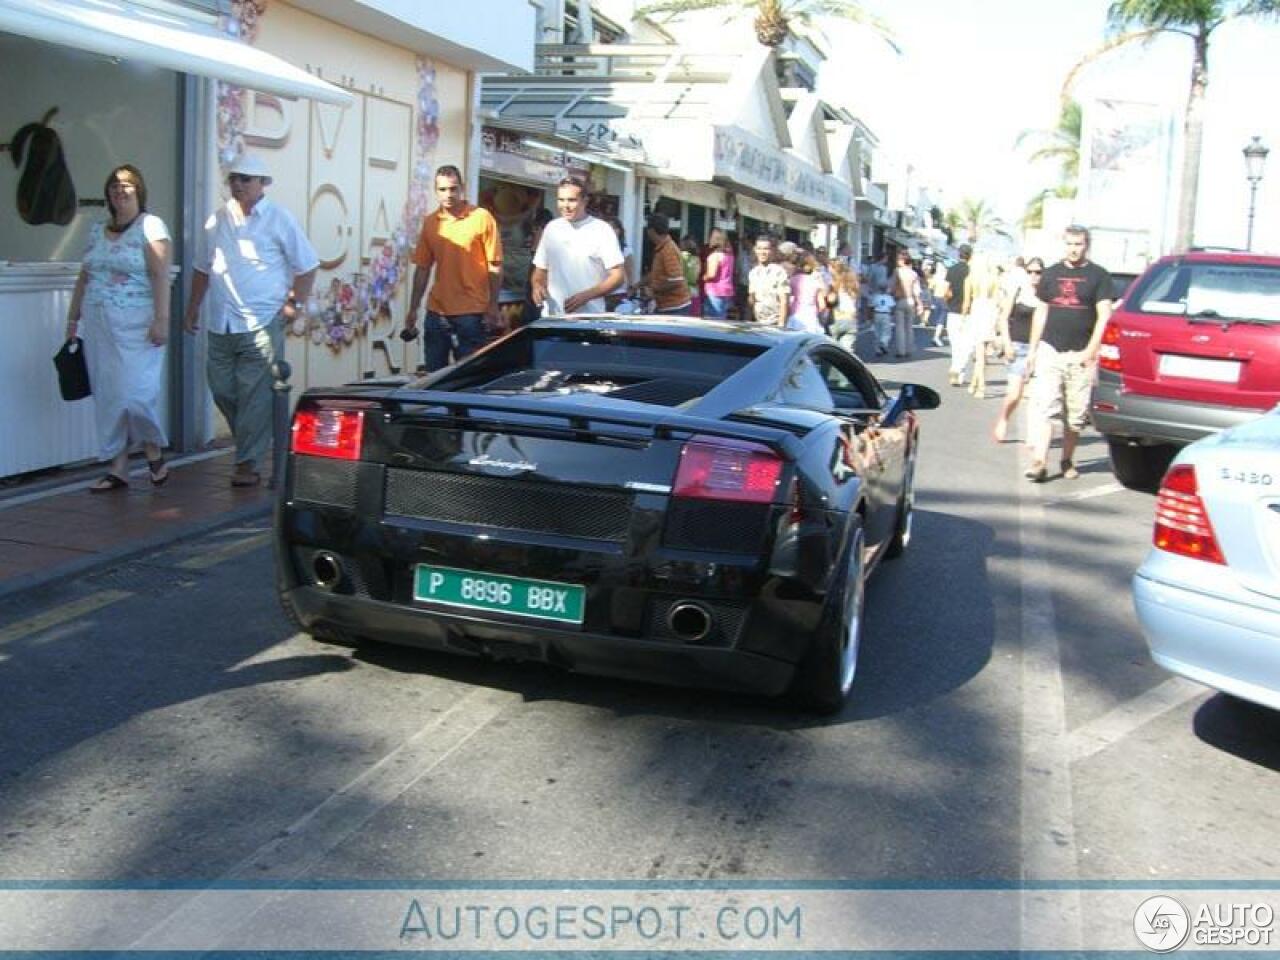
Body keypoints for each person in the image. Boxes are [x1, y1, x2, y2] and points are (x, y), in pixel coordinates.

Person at [184, 155, 317, 487]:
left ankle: (248, 463)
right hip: (221, 322)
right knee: (223, 390)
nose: (238, 184)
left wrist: (293, 306)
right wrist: (192, 309)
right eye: (234, 179)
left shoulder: (279, 219)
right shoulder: (216, 222)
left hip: (261, 321)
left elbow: (307, 265)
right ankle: (254, 442)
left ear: (263, 183)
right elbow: (203, 268)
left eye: (246, 178)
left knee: (254, 395)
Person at [64, 164, 172, 492]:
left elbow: (159, 274)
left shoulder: (151, 225)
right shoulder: (97, 230)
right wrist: (72, 319)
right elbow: (85, 276)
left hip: (138, 325)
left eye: (126, 186)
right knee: (109, 396)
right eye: (113, 186)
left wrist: (162, 318)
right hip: (98, 323)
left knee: (136, 395)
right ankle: (118, 467)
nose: (119, 191)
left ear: (139, 190)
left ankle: (153, 448)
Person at [1024, 226, 1115, 482]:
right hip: (1050, 350)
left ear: (1087, 246)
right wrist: (1032, 350)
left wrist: (1090, 352)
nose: (1073, 249)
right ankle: (1039, 461)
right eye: (1069, 244)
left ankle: (1066, 459)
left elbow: (1104, 316)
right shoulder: (1051, 274)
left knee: (1075, 416)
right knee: (1046, 407)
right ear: (1062, 244)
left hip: (1080, 354)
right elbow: (1041, 312)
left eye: (1079, 244)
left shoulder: (1099, 276)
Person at [404, 164, 503, 370]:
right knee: (434, 376)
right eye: (442, 189)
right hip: (436, 312)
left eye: (453, 188)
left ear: (462, 188)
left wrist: (493, 305)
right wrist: (413, 308)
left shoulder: (481, 217)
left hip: (472, 312)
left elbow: (495, 265)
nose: (448, 194)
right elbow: (423, 268)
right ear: (435, 190)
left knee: (468, 378)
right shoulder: (431, 223)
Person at [531, 177, 625, 315]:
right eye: (561, 200)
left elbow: (618, 276)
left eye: (571, 200)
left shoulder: (601, 230)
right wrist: (537, 285)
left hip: (589, 319)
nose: (565, 205)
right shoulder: (552, 228)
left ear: (585, 201)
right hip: (553, 317)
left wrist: (586, 296)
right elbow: (540, 269)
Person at [992, 256, 1044, 443]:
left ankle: (1033, 435)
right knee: (1015, 394)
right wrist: (1006, 343)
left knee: (1035, 398)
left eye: (1038, 272)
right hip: (1017, 346)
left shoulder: (1045, 296)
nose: (1033, 276)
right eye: (1030, 271)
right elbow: (1004, 317)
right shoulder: (1019, 291)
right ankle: (1004, 418)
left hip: (1038, 349)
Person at [644, 213, 693, 316]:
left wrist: (654, 289)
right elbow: (655, 274)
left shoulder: (668, 250)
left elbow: (676, 281)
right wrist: (636, 285)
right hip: (667, 305)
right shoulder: (661, 248)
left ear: (652, 231)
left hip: (676, 307)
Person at [944, 243, 974, 386]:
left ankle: (956, 369)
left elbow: (946, 291)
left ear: (958, 254)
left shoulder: (952, 270)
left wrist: (949, 300)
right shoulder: (973, 272)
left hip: (953, 311)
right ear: (970, 255)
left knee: (955, 345)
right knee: (967, 345)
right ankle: (958, 370)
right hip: (970, 312)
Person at [747, 234, 789, 327]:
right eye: (759, 248)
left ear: (771, 251)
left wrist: (781, 326)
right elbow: (752, 300)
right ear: (755, 250)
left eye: (766, 249)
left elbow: (784, 301)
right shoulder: (753, 273)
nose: (762, 252)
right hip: (758, 323)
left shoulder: (779, 272)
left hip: (774, 323)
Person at [890, 248, 922, 357]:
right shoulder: (914, 274)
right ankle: (909, 349)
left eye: (899, 259)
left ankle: (901, 351)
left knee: (899, 327)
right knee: (909, 327)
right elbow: (917, 291)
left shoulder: (897, 271)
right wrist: (919, 304)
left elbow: (891, 286)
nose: (897, 261)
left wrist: (890, 293)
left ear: (902, 260)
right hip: (911, 300)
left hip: (900, 300)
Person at [788, 250, 827, 334]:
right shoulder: (816, 281)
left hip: (795, 316)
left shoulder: (792, 279)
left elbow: (788, 298)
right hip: (810, 317)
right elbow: (822, 305)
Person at [702, 228, 735, 319]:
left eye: (711, 237)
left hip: (715, 291)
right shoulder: (729, 255)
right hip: (726, 290)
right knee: (722, 318)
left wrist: (703, 277)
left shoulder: (715, 255)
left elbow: (711, 275)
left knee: (713, 320)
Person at [604, 216, 633, 311]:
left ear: (619, 230)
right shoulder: (600, 250)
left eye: (614, 228)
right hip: (602, 294)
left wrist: (630, 290)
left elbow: (629, 274)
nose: (611, 231)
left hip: (619, 295)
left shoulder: (625, 250)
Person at [925, 260, 950, 346]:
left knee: (938, 318)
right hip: (944, 299)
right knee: (941, 320)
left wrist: (930, 301)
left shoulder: (935, 277)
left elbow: (930, 289)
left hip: (936, 298)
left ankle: (937, 335)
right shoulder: (947, 276)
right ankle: (936, 337)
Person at [678, 235, 702, 315]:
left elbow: (679, 273)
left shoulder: (682, 256)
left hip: (684, 289)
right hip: (694, 290)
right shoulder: (697, 258)